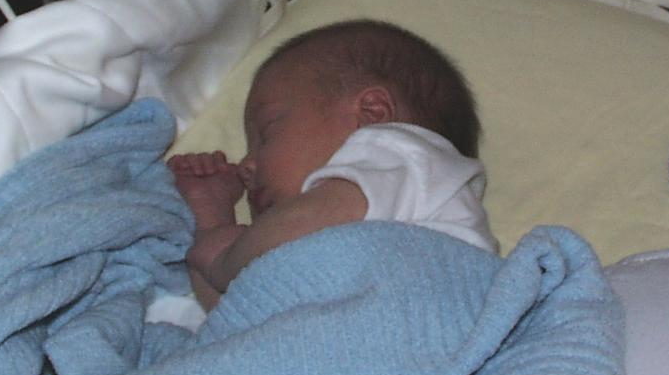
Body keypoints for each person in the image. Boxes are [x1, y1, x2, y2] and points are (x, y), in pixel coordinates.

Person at [165, 19, 498, 319]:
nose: (247, 165)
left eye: (267, 133)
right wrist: (210, 222)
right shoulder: (299, 250)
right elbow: (236, 322)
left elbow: (307, 217)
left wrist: (222, 259)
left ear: (372, 113)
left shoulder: (406, 157)